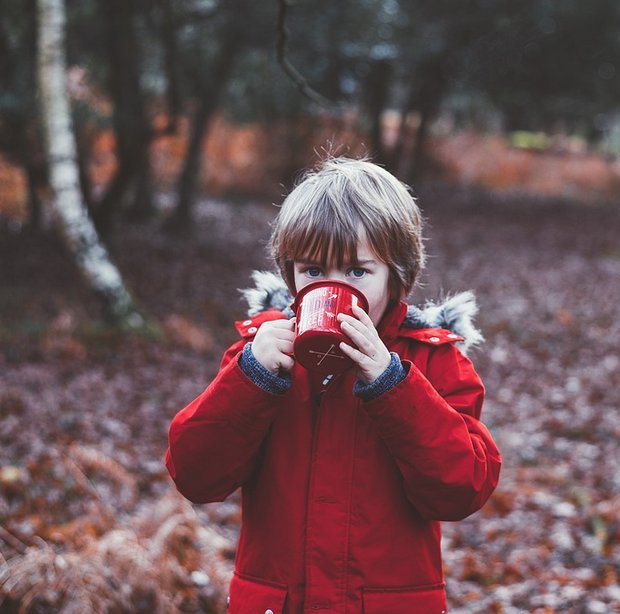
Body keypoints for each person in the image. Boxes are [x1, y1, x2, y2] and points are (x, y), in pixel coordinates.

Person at [165, 157, 502, 614]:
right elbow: (195, 474)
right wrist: (252, 378)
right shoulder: (261, 355)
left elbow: (462, 488)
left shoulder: (431, 361)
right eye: (313, 271)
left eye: (357, 272)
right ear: (290, 274)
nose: (332, 286)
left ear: (397, 275)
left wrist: (392, 385)